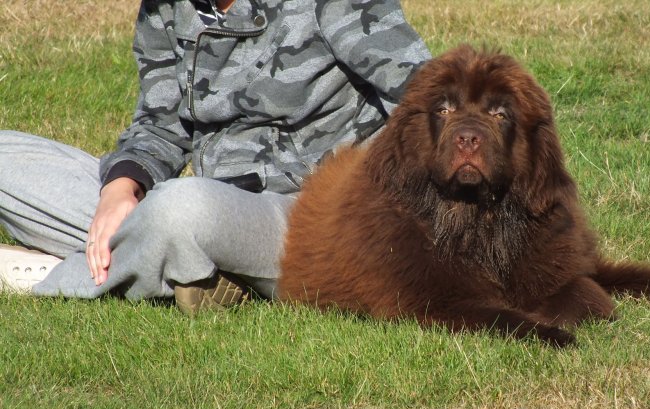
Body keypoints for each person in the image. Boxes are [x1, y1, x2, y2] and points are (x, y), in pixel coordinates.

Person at [0, 0, 430, 313]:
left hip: (306, 219)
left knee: (180, 212)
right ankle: (189, 267)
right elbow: (160, 124)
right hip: (210, 195)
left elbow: (432, 98)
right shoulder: (164, 9)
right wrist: (120, 190)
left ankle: (53, 275)